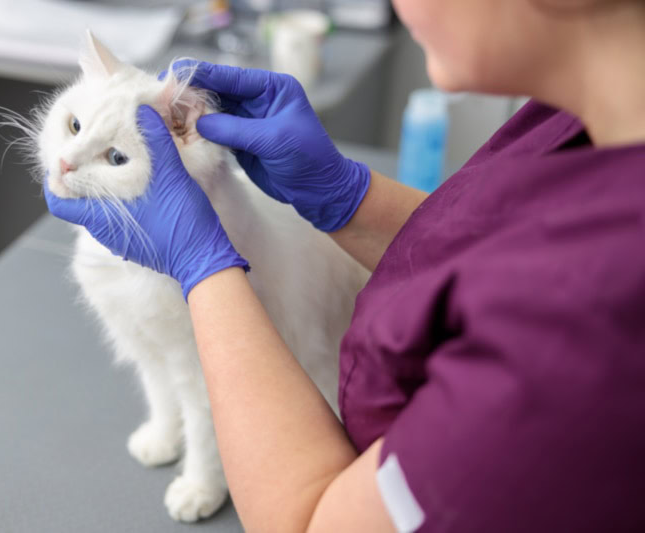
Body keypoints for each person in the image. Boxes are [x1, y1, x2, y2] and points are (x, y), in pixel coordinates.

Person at [45, 0, 645, 530]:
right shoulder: (579, 122)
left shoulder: (588, 336)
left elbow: (314, 523)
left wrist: (202, 266)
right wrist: (350, 199)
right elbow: (506, 263)